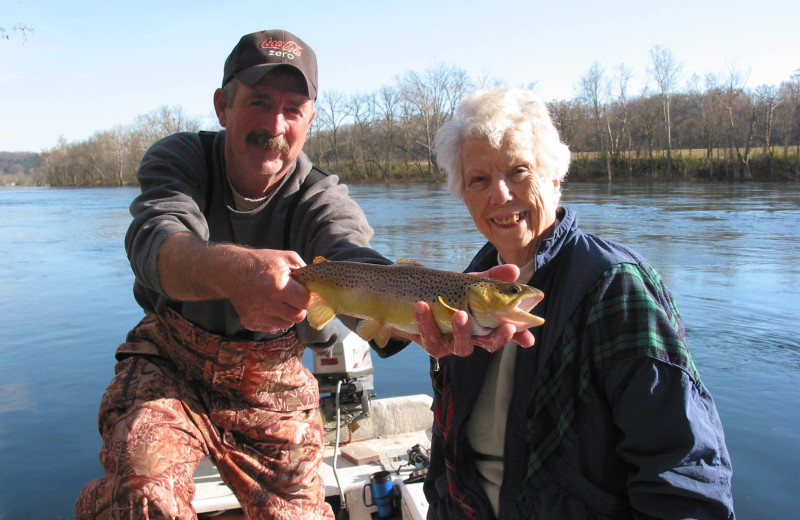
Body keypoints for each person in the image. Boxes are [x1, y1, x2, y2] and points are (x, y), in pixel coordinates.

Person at [74, 29, 421, 520]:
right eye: (259, 102)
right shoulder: (183, 160)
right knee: (141, 495)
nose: (275, 124)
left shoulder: (320, 197)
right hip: (170, 363)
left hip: (272, 381)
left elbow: (352, 255)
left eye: (293, 108)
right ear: (223, 105)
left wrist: (426, 317)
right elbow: (157, 245)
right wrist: (236, 273)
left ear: (310, 119)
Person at [410, 86, 735, 520]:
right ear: (463, 193)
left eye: (519, 171)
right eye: (479, 179)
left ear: (555, 176)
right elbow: (449, 447)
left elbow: (683, 473)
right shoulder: (467, 282)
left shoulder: (615, 287)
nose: (500, 195)